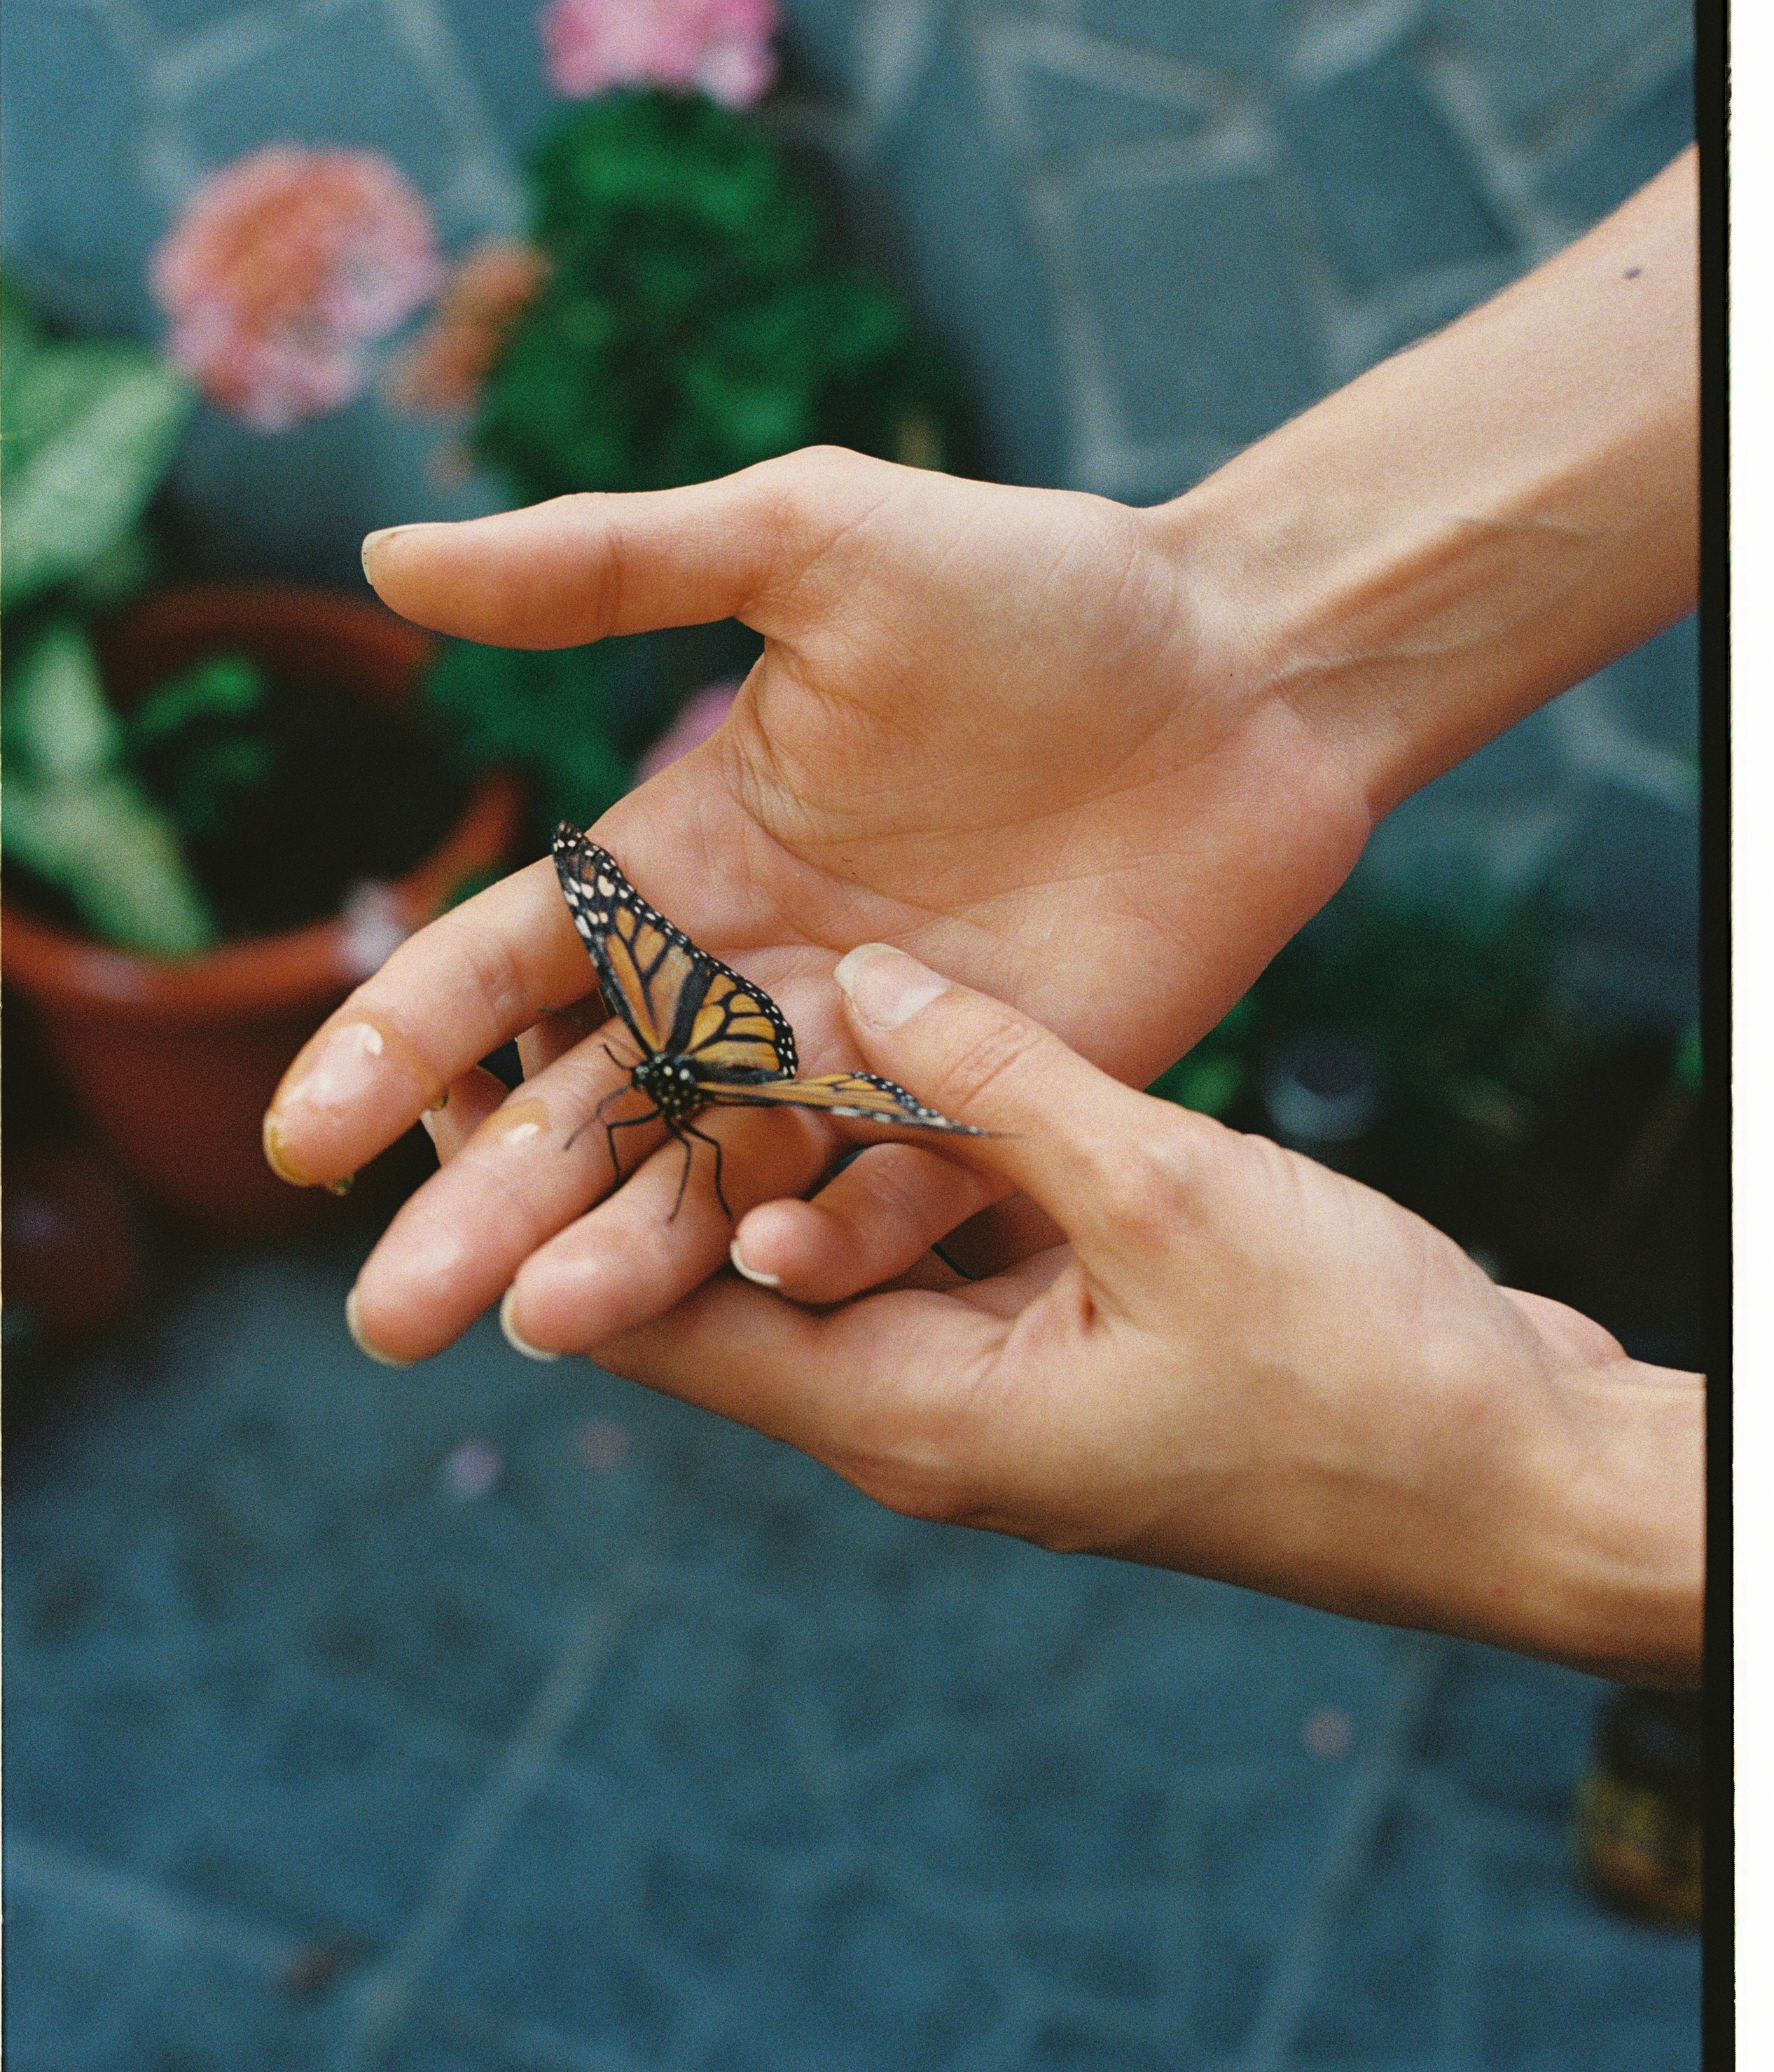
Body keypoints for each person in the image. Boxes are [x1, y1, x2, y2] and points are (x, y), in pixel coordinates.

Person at [264, 149, 1705, 1688]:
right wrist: (1242, 635)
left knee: (691, 1126)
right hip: (761, 1052)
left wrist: (1572, 1507)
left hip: (757, 1055)